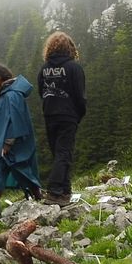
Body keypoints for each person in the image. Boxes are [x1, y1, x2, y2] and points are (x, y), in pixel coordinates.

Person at [0, 63, 43, 219]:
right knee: (18, 170)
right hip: (8, 145)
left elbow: (16, 120)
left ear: (1, 76)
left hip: (12, 145)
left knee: (2, 171)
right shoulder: (8, 93)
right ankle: (37, 197)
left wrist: (7, 143)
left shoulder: (11, 95)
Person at [37, 31, 86, 207]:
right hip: (68, 114)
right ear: (70, 48)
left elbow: (41, 91)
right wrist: (79, 113)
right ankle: (55, 191)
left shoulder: (44, 69)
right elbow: (80, 95)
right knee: (64, 152)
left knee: (58, 153)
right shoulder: (74, 68)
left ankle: (65, 191)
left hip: (50, 114)